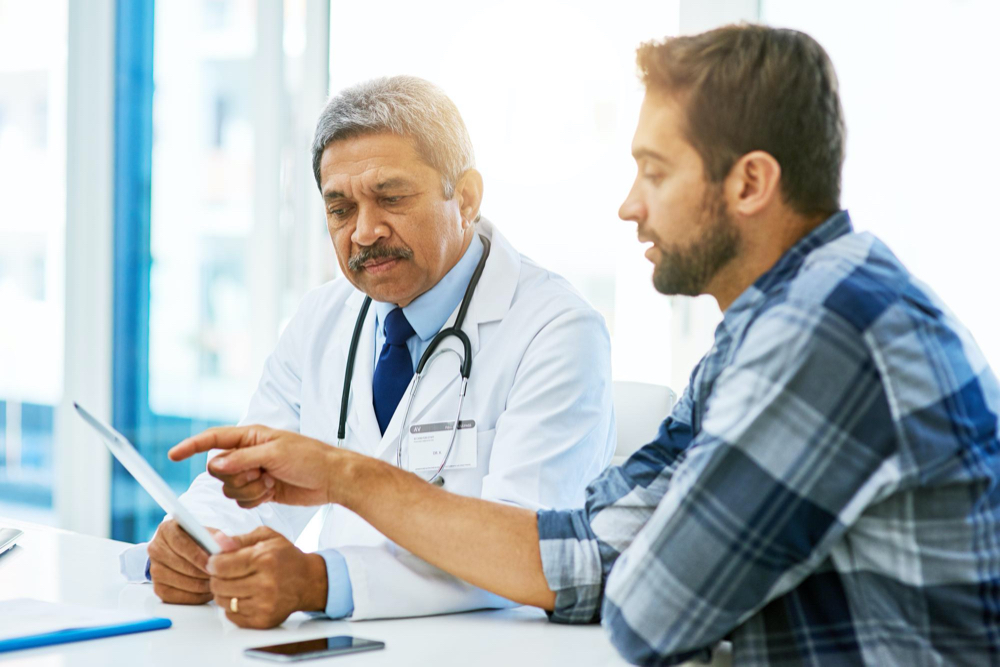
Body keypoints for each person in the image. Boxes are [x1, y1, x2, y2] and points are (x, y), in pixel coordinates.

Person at [171, 24, 1000, 665]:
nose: (628, 206)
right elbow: (585, 548)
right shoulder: (765, 327)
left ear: (749, 182)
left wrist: (347, 492)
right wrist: (343, 479)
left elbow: (648, 609)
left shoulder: (826, 334)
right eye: (338, 207)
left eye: (655, 171)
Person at [121, 75, 616, 627]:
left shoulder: (557, 330)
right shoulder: (321, 319)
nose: (364, 232)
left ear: (467, 197)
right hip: (333, 643)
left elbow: (530, 555)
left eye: (391, 198)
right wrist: (192, 542)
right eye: (340, 209)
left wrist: (320, 581)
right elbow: (247, 485)